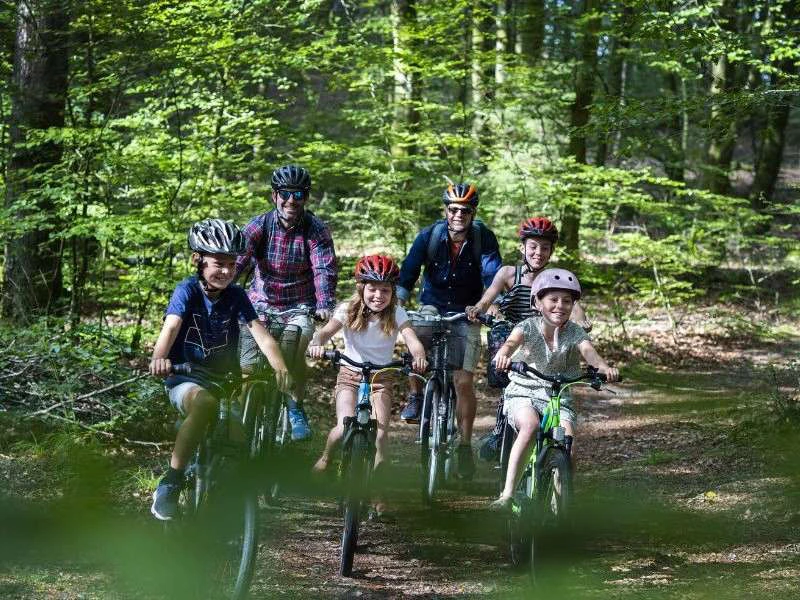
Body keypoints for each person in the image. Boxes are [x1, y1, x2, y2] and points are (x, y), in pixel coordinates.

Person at [149, 219, 290, 521]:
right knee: (204, 405)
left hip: (224, 382)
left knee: (238, 443)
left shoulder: (236, 296)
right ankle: (171, 482)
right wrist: (159, 357)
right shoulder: (187, 290)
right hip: (185, 377)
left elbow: (261, 334)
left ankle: (221, 514)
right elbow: (172, 326)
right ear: (198, 260)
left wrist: (280, 368)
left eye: (231, 264)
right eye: (218, 264)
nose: (226, 271)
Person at [396, 183, 502, 480]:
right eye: (453, 209)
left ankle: (465, 446)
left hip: (467, 310)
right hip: (432, 305)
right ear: (445, 210)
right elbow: (409, 271)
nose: (458, 215)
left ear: (473, 213)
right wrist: (398, 302)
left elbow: (493, 275)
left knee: (463, 379)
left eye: (464, 211)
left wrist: (491, 305)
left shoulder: (483, 238)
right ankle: (416, 396)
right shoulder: (429, 236)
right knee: (415, 338)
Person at [489, 268, 618, 510]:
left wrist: (603, 367)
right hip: (525, 389)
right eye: (553, 299)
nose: (560, 306)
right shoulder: (527, 326)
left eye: (567, 301)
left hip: (558, 394)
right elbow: (510, 343)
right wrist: (503, 356)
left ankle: (560, 509)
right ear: (537, 302)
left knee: (568, 445)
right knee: (530, 426)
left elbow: (590, 353)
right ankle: (507, 494)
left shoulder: (575, 332)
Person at [465, 217, 590, 460]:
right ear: (522, 247)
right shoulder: (509, 274)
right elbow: (488, 296)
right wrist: (478, 308)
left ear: (551, 251)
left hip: (540, 338)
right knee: (507, 381)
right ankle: (501, 430)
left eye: (545, 248)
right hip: (511, 336)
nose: (538, 252)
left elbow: (574, 305)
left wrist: (582, 320)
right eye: (533, 246)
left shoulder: (555, 278)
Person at [307, 256, 427, 494]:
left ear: (393, 292)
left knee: (380, 434)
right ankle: (326, 458)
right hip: (349, 375)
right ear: (361, 288)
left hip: (380, 379)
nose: (378, 296)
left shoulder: (397, 313)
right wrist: (317, 343)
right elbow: (325, 332)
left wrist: (419, 356)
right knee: (343, 425)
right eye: (372, 289)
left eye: (385, 290)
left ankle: (378, 490)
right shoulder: (347, 310)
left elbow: (412, 340)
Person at [235, 165, 338, 441]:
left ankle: (295, 406)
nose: (291, 200)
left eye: (299, 194)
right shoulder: (259, 225)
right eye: (285, 193)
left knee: (297, 347)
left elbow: (323, 269)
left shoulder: (316, 230)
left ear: (306, 197)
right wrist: (221, 288)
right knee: (247, 366)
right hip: (259, 303)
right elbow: (238, 260)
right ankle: (240, 420)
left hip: (299, 306)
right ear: (274, 195)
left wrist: (324, 304)